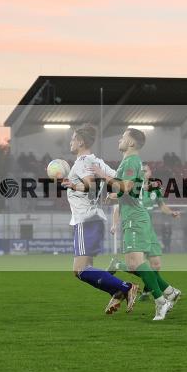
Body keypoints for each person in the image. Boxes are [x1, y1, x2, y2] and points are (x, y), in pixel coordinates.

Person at [88, 128, 180, 320]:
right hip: (135, 216)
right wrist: (114, 197)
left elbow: (127, 186)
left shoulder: (131, 161)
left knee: (135, 264)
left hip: (134, 219)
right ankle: (169, 292)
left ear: (131, 143)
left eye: (122, 137)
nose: (119, 140)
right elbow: (131, 191)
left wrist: (103, 175)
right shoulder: (130, 162)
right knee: (134, 264)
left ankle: (162, 301)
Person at [59, 124, 138, 314]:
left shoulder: (82, 161)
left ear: (80, 142)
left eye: (72, 139)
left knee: (81, 270)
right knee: (83, 270)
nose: (70, 142)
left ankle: (126, 287)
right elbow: (117, 179)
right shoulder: (96, 161)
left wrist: (72, 185)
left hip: (86, 220)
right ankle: (117, 290)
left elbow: (88, 185)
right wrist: (111, 195)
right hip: (91, 220)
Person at [108, 163, 180, 301]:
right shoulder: (131, 188)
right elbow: (118, 208)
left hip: (149, 230)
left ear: (150, 173)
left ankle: (148, 290)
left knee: (156, 265)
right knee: (135, 265)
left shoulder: (153, 190)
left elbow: (162, 206)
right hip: (135, 227)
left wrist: (172, 213)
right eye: (140, 170)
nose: (142, 172)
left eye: (145, 170)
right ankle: (164, 293)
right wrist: (114, 224)